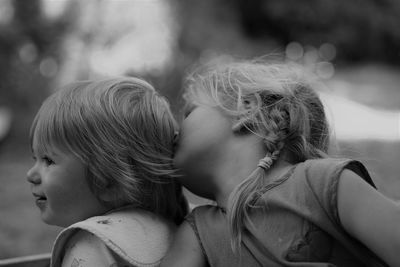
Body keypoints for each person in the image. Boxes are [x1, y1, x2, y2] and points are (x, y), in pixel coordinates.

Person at [161, 59, 398, 266]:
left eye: (189, 113)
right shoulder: (196, 233)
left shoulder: (322, 185)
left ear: (246, 109)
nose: (174, 129)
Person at [27, 77, 188, 267]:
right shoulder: (181, 231)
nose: (30, 175)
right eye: (34, 159)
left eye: (48, 160)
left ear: (108, 181)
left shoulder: (93, 248)